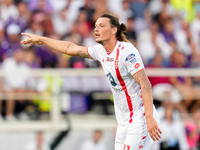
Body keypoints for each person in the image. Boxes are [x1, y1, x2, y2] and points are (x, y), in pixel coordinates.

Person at [21, 13, 162, 150]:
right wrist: (43, 40)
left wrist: (148, 117)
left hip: (140, 118)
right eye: (95, 26)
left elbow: (145, 84)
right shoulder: (100, 51)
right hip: (123, 122)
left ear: (114, 30)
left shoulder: (127, 52)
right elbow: (71, 48)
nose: (96, 29)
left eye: (101, 26)